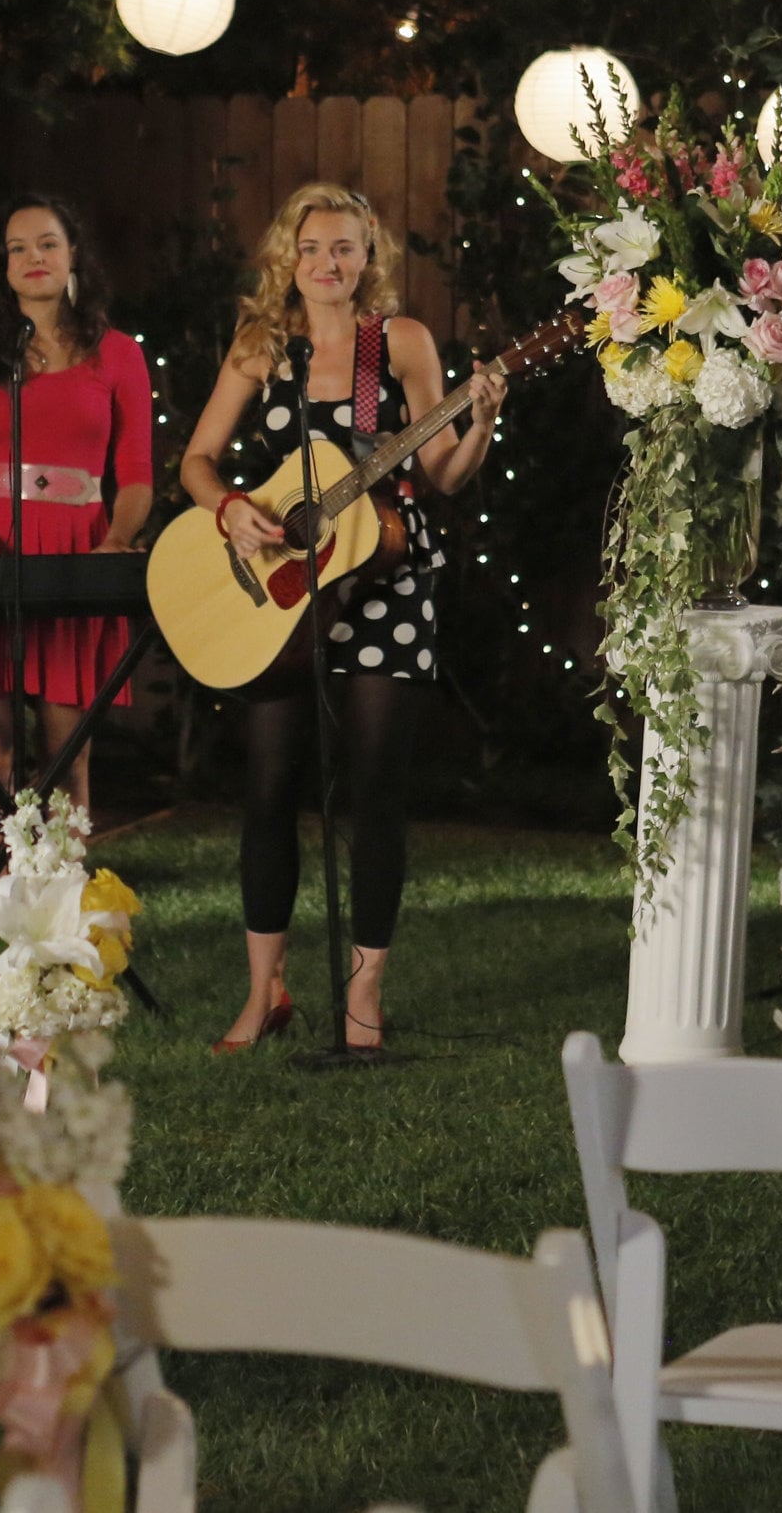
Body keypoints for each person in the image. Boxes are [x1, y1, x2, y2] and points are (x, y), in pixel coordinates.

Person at [178, 182, 505, 1054]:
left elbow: (441, 471)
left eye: (345, 248)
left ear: (369, 258)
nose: (328, 263)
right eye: (313, 247)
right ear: (288, 257)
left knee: (375, 790)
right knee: (267, 786)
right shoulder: (262, 348)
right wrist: (229, 508)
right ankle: (265, 992)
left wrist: (479, 426)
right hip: (287, 588)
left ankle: (364, 992)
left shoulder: (398, 343)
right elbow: (198, 459)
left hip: (389, 578)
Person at [0, 193, 154, 852]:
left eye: (48, 243)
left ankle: (60, 912)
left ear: (73, 255)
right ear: (2, 267)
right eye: (18, 248)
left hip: (77, 555)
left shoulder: (119, 354)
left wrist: (116, 540)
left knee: (67, 759)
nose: (34, 257)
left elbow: (136, 474)